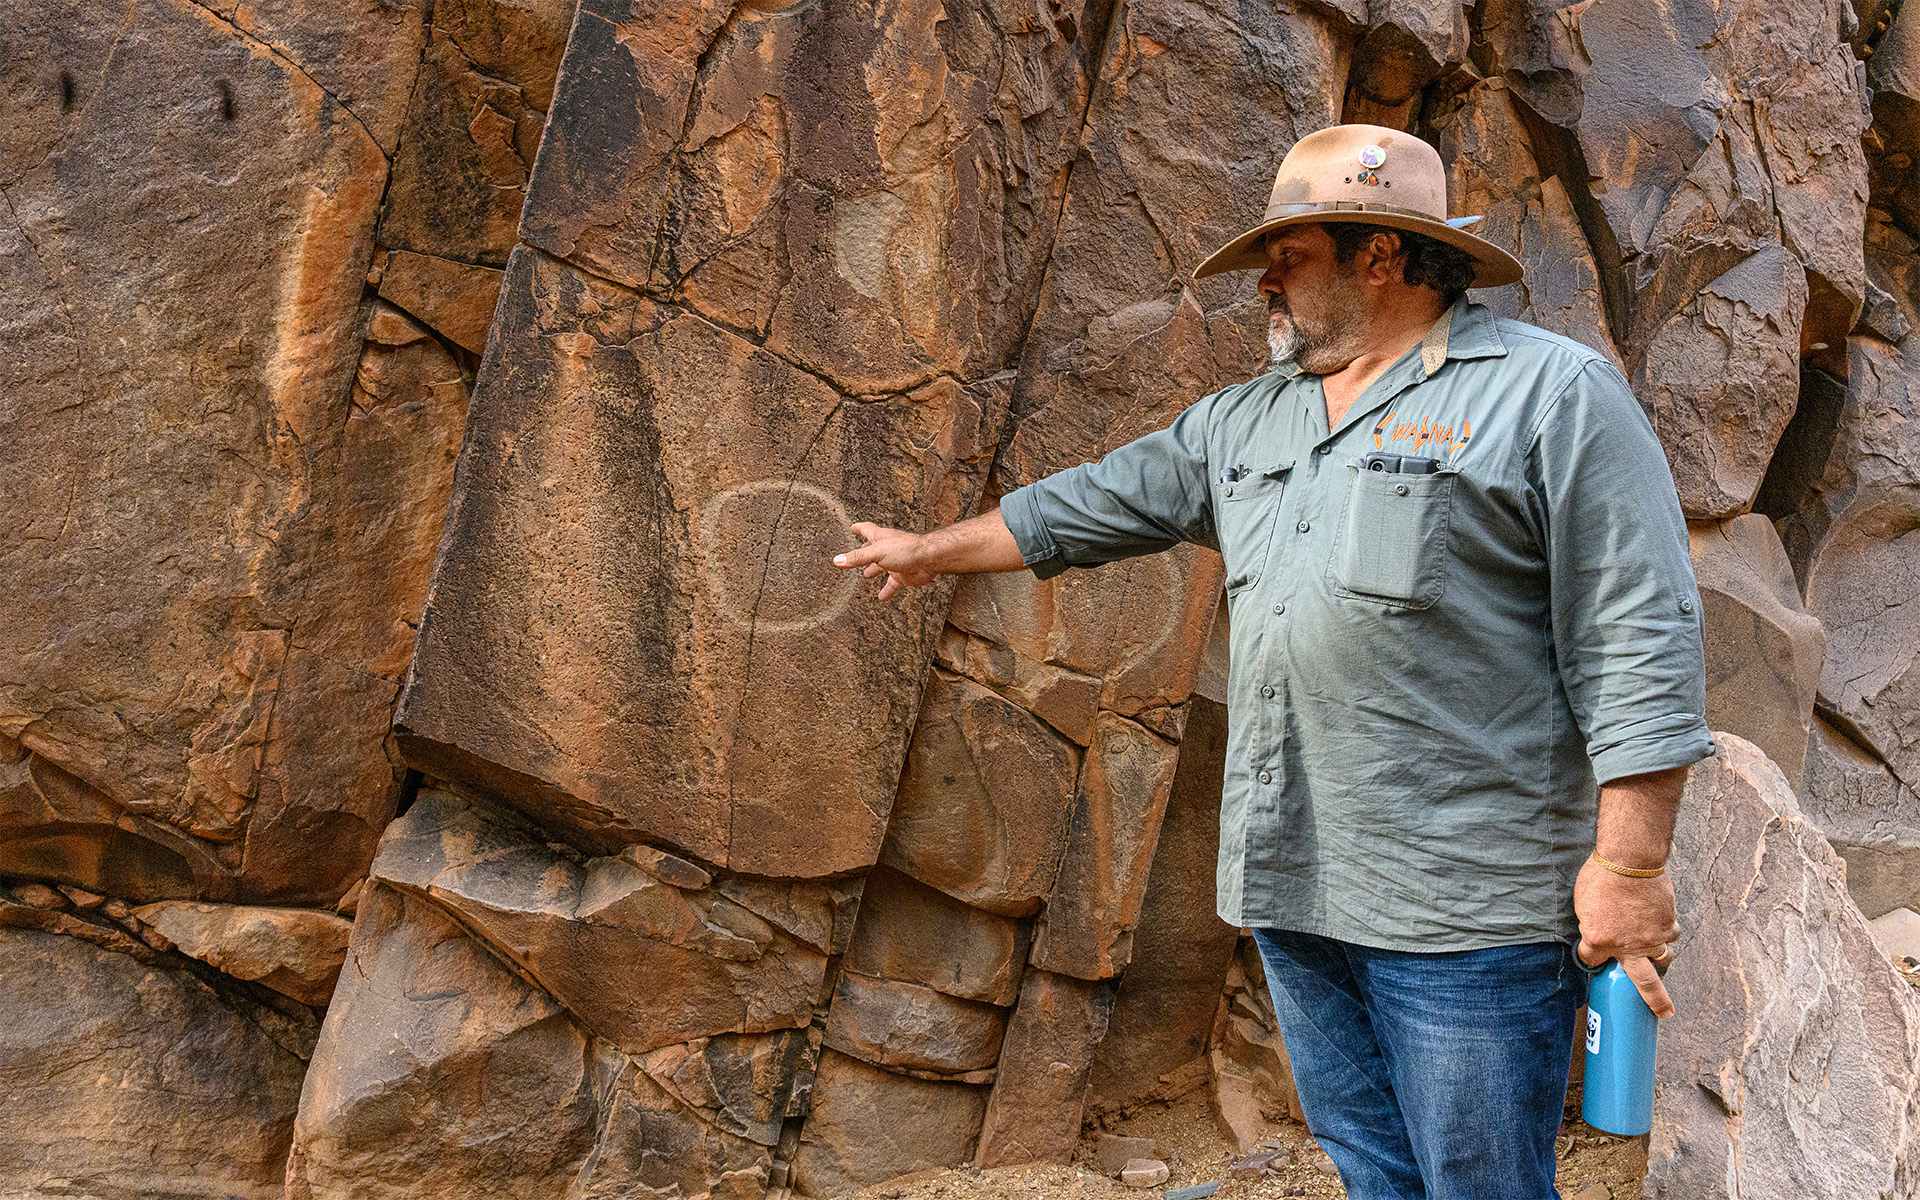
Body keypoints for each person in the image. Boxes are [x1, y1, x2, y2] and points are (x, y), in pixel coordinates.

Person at [831, 123, 1711, 1199]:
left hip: (1465, 914)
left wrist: (1629, 869)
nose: (1265, 284)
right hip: (1294, 885)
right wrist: (931, 552)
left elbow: (1640, 635)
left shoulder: (1549, 396)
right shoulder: (1248, 419)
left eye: (1288, 258)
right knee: (1373, 1172)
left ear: (1380, 255)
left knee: (1481, 1185)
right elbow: (1093, 502)